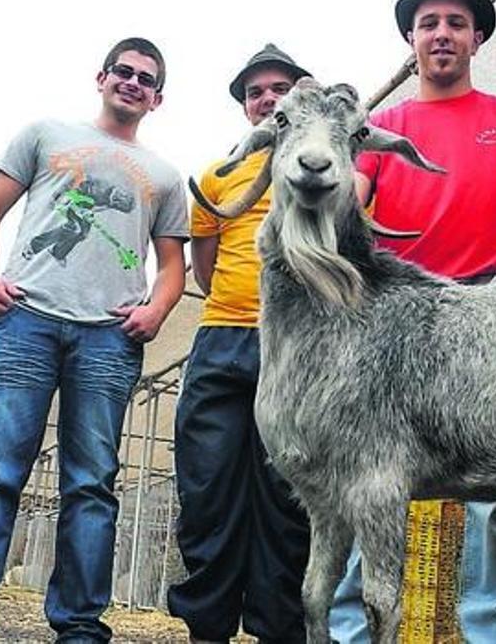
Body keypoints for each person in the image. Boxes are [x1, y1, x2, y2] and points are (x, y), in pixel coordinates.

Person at [330, 0, 496, 642]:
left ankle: (495, 631)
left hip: (494, 314)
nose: (441, 34)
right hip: (399, 322)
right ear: (411, 39)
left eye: (455, 23)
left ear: (476, 38)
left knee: (494, 493)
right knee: (376, 482)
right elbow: (345, 218)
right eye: (428, 23)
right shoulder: (380, 128)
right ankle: (357, 631)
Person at [0, 36, 189, 644]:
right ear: (101, 77)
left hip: (107, 340)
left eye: (145, 78)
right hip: (25, 322)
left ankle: (78, 629)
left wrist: (157, 309)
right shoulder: (45, 134)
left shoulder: (165, 176)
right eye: (123, 71)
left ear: (158, 97)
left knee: (92, 486)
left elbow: (172, 263)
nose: (132, 82)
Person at [167, 43, 313, 644]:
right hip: (224, 340)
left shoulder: (326, 168)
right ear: (245, 107)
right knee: (208, 489)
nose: (268, 98)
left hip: (300, 350)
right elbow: (204, 269)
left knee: (289, 499)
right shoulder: (215, 177)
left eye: (281, 88)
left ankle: (281, 629)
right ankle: (208, 628)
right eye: (257, 91)